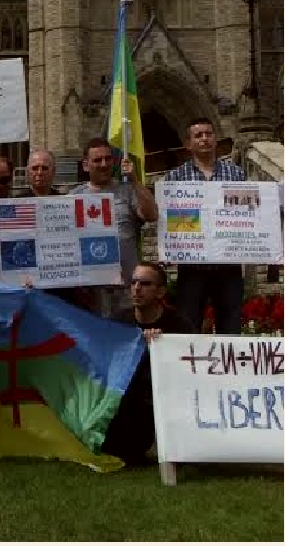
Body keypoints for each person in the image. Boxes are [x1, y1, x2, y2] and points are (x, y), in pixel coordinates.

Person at [100, 262, 194, 466]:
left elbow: (189, 372)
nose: (136, 289)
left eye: (145, 283)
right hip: (126, 398)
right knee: (117, 452)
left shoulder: (179, 325)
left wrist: (161, 347)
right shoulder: (118, 322)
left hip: (165, 399)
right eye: (133, 282)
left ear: (160, 291)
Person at [163, 118, 247, 335]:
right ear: (188, 144)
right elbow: (170, 219)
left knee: (231, 326)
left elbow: (247, 215)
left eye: (208, 134)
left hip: (228, 264)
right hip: (193, 267)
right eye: (198, 135)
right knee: (188, 325)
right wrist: (169, 246)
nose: (204, 139)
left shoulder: (236, 174)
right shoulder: (175, 177)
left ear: (215, 139)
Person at [68, 137, 157, 321]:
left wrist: (134, 180)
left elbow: (151, 215)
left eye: (108, 159)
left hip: (126, 288)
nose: (104, 164)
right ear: (85, 165)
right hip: (90, 290)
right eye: (97, 160)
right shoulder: (73, 197)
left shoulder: (128, 190)